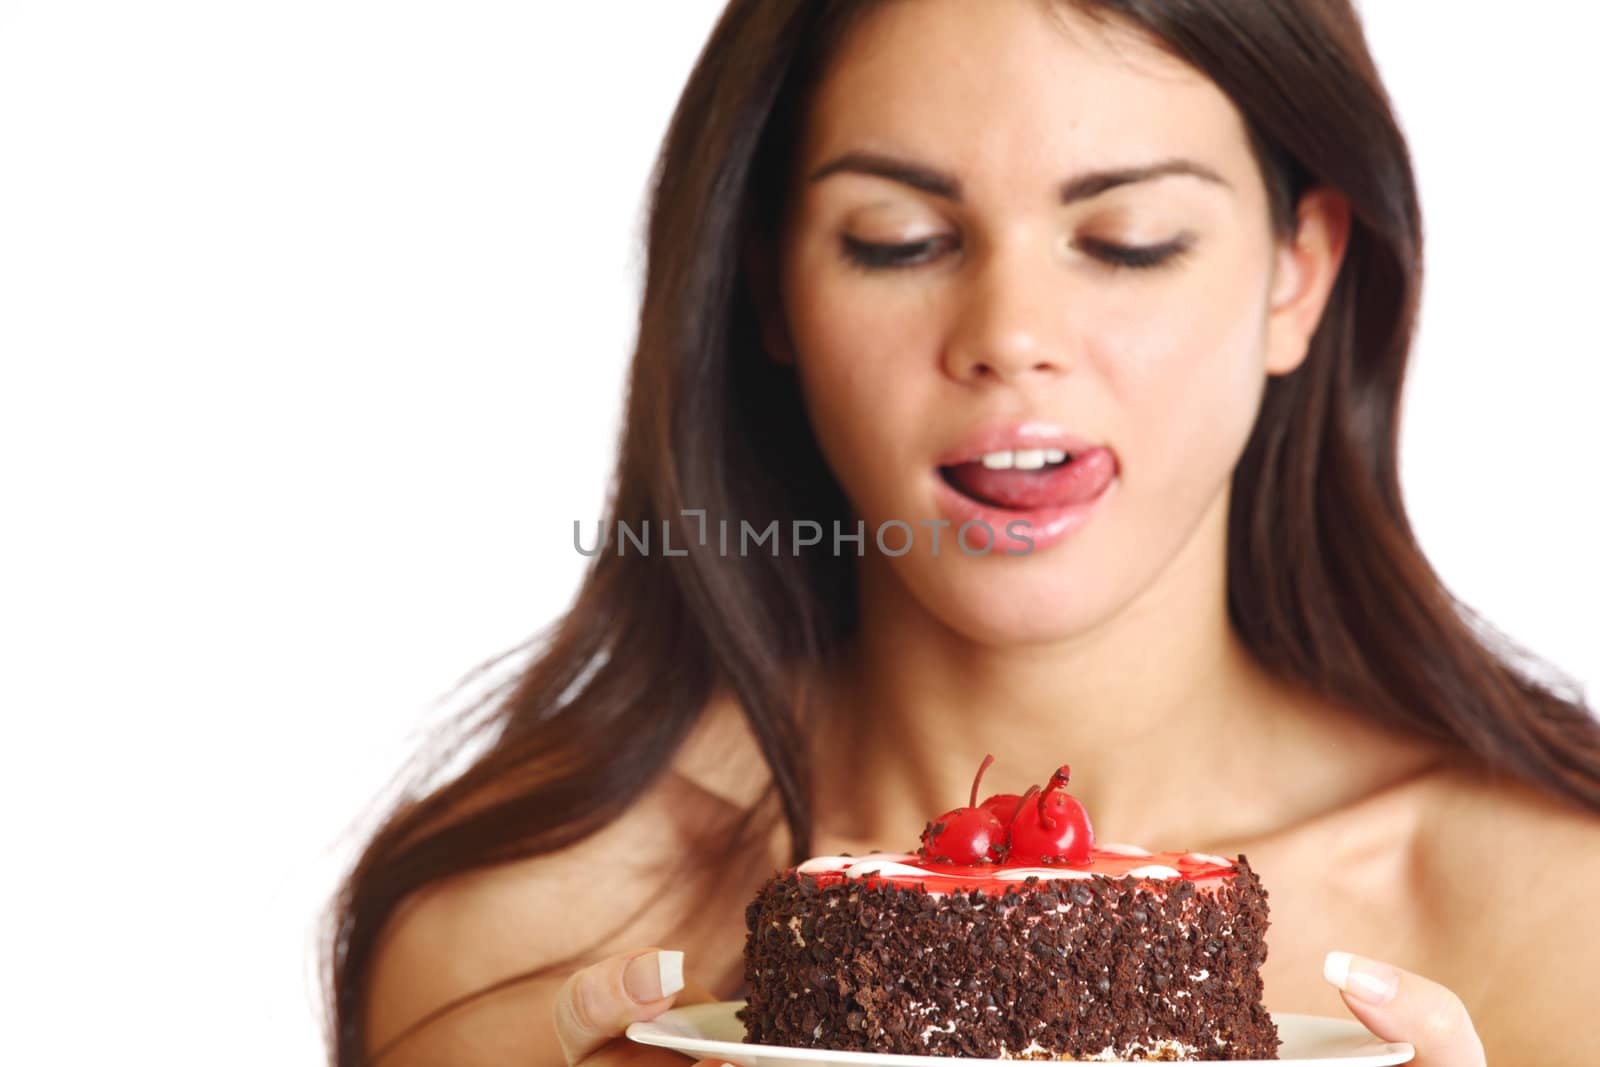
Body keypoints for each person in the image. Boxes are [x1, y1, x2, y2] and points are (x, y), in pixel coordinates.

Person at [323, 1, 1600, 1064]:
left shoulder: (1561, 926)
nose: (1008, 332)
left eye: (1126, 240)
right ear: (772, 284)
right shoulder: (507, 946)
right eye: (902, 241)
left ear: (1296, 273)